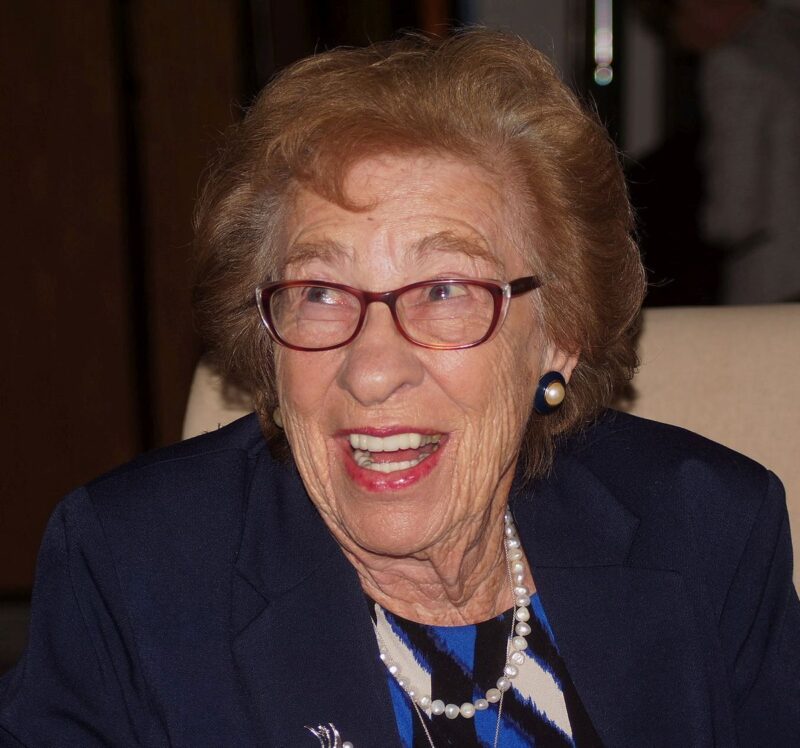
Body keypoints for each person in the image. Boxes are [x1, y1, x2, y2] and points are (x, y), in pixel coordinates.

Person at [1, 29, 798, 748]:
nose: (373, 369)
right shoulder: (134, 567)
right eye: (320, 292)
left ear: (559, 336)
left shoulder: (706, 529)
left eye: (446, 290)